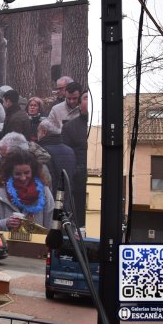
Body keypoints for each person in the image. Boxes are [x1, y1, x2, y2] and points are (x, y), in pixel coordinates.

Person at [0, 149, 55, 232]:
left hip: (37, 244)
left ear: (33, 171)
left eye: (27, 173)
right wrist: (5, 223)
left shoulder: (44, 192)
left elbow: (52, 226)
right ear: (10, 173)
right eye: (18, 174)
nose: (23, 178)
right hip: (7, 244)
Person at [62, 90, 89, 227]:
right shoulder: (69, 127)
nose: (88, 101)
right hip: (77, 185)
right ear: (79, 105)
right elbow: (66, 157)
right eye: (85, 98)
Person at [37, 119, 76, 195]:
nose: (37, 134)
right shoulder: (70, 151)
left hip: (50, 198)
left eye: (38, 131)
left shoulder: (42, 152)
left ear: (44, 132)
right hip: (67, 199)